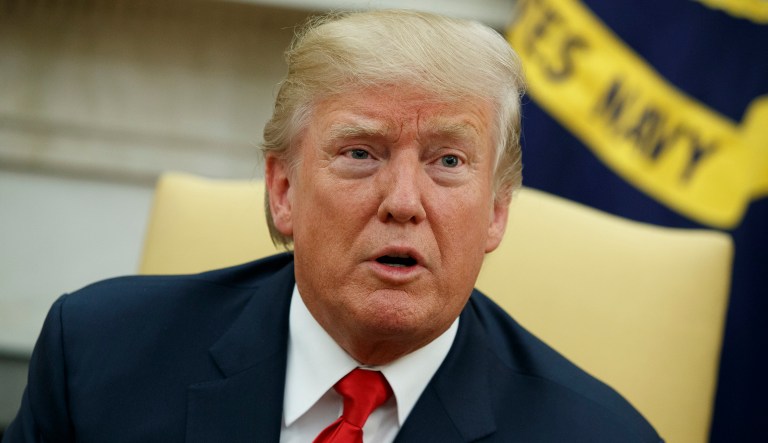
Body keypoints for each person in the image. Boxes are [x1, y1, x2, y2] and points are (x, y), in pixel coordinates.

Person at [3, 9, 662, 443]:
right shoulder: (96, 358)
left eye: (448, 160)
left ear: (496, 210)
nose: (403, 201)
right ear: (283, 189)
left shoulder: (598, 434)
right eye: (360, 153)